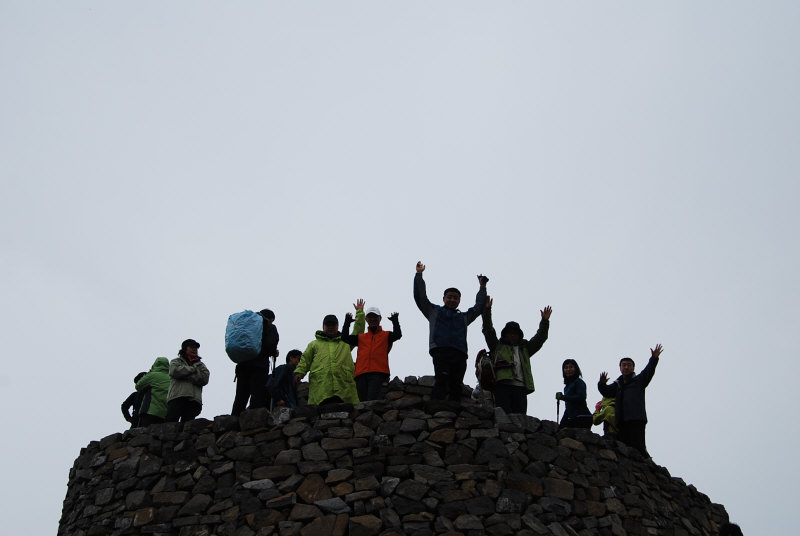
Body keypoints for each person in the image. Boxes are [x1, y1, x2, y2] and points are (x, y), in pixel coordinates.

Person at [413, 261, 488, 401]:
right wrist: (419, 274)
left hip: (460, 353)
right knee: (441, 379)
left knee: (456, 385)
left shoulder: (463, 317)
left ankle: (454, 415)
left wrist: (482, 287)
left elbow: (479, 308)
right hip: (441, 351)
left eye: (455, 298)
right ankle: (436, 410)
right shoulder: (434, 311)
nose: (452, 300)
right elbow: (420, 297)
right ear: (444, 299)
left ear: (459, 300)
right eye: (449, 297)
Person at [481, 297, 551, 414]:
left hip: (521, 387)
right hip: (502, 385)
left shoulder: (525, 349)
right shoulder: (497, 346)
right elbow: (488, 329)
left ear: (519, 335)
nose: (512, 336)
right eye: (509, 333)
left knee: (520, 419)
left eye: (515, 333)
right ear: (505, 335)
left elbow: (540, 338)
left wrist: (544, 322)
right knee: (503, 417)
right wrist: (487, 311)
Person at [598, 344, 663, 457]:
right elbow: (607, 392)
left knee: (638, 447)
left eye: (629, 365)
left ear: (633, 368)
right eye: (624, 365)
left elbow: (649, 371)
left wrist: (654, 358)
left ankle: (646, 468)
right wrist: (602, 384)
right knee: (624, 448)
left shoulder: (639, 381)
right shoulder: (617, 384)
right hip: (621, 421)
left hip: (636, 418)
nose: (626, 367)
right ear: (620, 368)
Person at [294, 311, 364, 405]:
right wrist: (299, 372)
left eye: (333, 325)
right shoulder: (314, 344)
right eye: (328, 325)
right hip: (321, 389)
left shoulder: (345, 341)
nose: (331, 327)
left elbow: (358, 332)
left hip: (343, 386)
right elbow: (305, 360)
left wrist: (359, 313)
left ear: (337, 326)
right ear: (323, 327)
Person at [340, 301, 402, 401]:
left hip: (378, 373)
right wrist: (347, 322)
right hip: (361, 374)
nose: (372, 319)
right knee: (362, 402)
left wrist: (395, 321)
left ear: (380, 318)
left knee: (371, 401)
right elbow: (345, 338)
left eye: (375, 317)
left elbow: (398, 335)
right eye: (370, 317)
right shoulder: (361, 337)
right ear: (366, 320)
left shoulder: (386, 335)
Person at [232, 308, 280, 416]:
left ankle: (232, 422)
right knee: (257, 394)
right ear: (270, 319)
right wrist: (273, 352)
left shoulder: (247, 327)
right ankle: (254, 422)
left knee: (240, 397)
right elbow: (270, 344)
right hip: (259, 366)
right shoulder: (269, 327)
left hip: (242, 365)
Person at [165, 339, 210, 422]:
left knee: (187, 429)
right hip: (177, 396)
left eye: (196, 348)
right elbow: (174, 371)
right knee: (170, 423)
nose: (195, 349)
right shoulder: (176, 361)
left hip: (194, 400)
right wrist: (193, 370)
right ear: (185, 348)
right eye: (192, 347)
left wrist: (184, 375)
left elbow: (204, 378)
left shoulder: (201, 365)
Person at [135, 357, 171, 426]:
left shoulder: (152, 375)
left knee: (144, 434)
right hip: (164, 414)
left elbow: (138, 386)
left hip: (149, 411)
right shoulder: (171, 378)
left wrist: (148, 374)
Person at [556, 359, 592, 429]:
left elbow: (581, 397)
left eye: (571, 367)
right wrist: (561, 424)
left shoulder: (579, 382)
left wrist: (564, 397)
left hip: (583, 417)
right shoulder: (566, 387)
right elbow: (569, 407)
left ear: (576, 369)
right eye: (566, 367)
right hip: (573, 418)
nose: (568, 369)